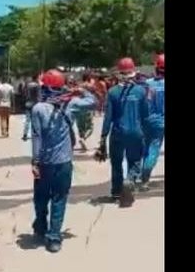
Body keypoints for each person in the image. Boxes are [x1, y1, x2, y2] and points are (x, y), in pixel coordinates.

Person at [30, 69, 96, 253]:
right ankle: (53, 238)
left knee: (41, 198)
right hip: (64, 163)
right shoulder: (71, 104)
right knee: (59, 199)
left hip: (43, 162)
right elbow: (93, 103)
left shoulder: (38, 109)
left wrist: (34, 162)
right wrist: (81, 91)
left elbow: (37, 137)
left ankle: (41, 225)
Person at [98, 57, 149, 207]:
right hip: (136, 132)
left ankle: (116, 192)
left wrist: (103, 137)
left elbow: (108, 118)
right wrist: (145, 133)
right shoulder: (140, 91)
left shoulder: (112, 92)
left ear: (118, 73)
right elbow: (145, 115)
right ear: (134, 72)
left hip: (118, 132)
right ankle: (130, 179)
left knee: (116, 163)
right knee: (135, 161)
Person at [141, 54, 165, 190]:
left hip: (147, 120)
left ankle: (139, 172)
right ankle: (145, 174)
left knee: (146, 147)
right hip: (161, 122)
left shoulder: (147, 84)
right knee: (154, 148)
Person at [22, 74, 41, 141]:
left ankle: (25, 134)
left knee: (27, 120)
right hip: (34, 104)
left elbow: (24, 93)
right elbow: (39, 96)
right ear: (36, 78)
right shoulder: (37, 85)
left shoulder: (27, 85)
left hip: (27, 103)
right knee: (35, 120)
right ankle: (35, 133)